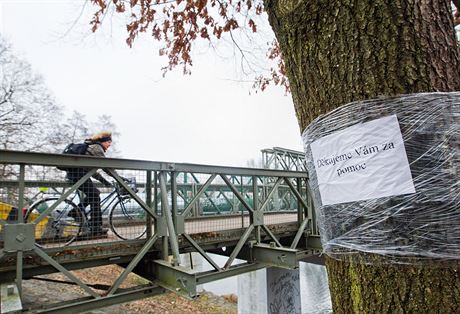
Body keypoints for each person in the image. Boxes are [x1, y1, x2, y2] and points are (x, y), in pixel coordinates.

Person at [65, 131, 115, 236]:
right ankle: (95, 227)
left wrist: (104, 181)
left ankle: (77, 213)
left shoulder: (91, 147)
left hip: (76, 175)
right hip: (78, 175)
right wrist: (120, 179)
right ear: (103, 141)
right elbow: (107, 167)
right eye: (109, 142)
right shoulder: (97, 148)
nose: (110, 145)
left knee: (94, 194)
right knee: (95, 195)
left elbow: (91, 170)